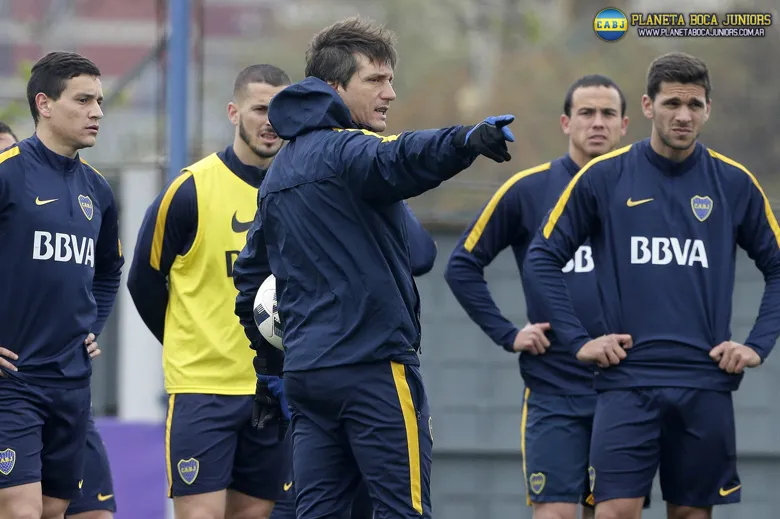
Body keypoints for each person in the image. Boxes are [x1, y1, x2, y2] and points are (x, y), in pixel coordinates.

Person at [242, 15, 515, 519]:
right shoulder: (351, 151)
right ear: (332, 88)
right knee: (401, 512)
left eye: (391, 79)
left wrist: (271, 368)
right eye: (375, 80)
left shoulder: (277, 173)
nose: (390, 92)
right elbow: (406, 156)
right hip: (372, 370)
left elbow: (250, 280)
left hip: (306, 377)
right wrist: (467, 140)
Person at [524, 52, 780, 519]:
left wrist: (758, 345)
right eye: (671, 103)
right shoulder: (604, 177)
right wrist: (578, 341)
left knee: (691, 514)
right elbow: (542, 256)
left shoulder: (734, 183)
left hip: (705, 383)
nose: (683, 115)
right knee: (615, 511)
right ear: (647, 106)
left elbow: (778, 266)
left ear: (708, 109)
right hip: (627, 382)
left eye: (694, 104)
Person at [445, 75, 630, 519]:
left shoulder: (643, 193)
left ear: (625, 125)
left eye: (608, 114)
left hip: (626, 387)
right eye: (587, 113)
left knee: (616, 512)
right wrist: (508, 334)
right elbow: (461, 266)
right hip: (555, 386)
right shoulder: (528, 189)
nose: (597, 123)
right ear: (566, 122)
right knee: (557, 514)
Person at [127, 64, 292, 519]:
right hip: (204, 391)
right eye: (260, 109)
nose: (271, 121)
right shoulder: (190, 189)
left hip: (272, 388)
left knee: (254, 514)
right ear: (234, 112)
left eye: (281, 109)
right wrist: (187, 341)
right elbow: (143, 279)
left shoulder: (301, 190)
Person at [0, 51, 123, 519]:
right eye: (84, 99)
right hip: (12, 382)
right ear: (44, 104)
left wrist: (93, 323)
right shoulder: (9, 172)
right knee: (20, 511)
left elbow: (110, 270)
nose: (97, 112)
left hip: (71, 384)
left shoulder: (98, 190)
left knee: (53, 512)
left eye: (100, 101)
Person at [257, 203, 438, 519]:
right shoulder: (311, 185)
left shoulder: (288, 181)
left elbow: (422, 253)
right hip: (359, 379)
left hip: (318, 378)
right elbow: (422, 253)